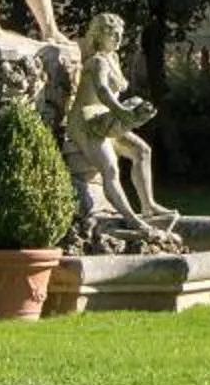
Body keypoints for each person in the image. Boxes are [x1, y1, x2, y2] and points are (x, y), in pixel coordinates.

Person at [66, 12, 176, 229]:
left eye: (120, 33)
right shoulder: (97, 62)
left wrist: (131, 111)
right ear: (99, 36)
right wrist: (123, 113)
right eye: (112, 33)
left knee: (142, 151)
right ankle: (131, 219)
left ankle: (148, 205)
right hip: (88, 122)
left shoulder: (112, 59)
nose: (117, 38)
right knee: (111, 170)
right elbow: (104, 91)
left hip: (107, 118)